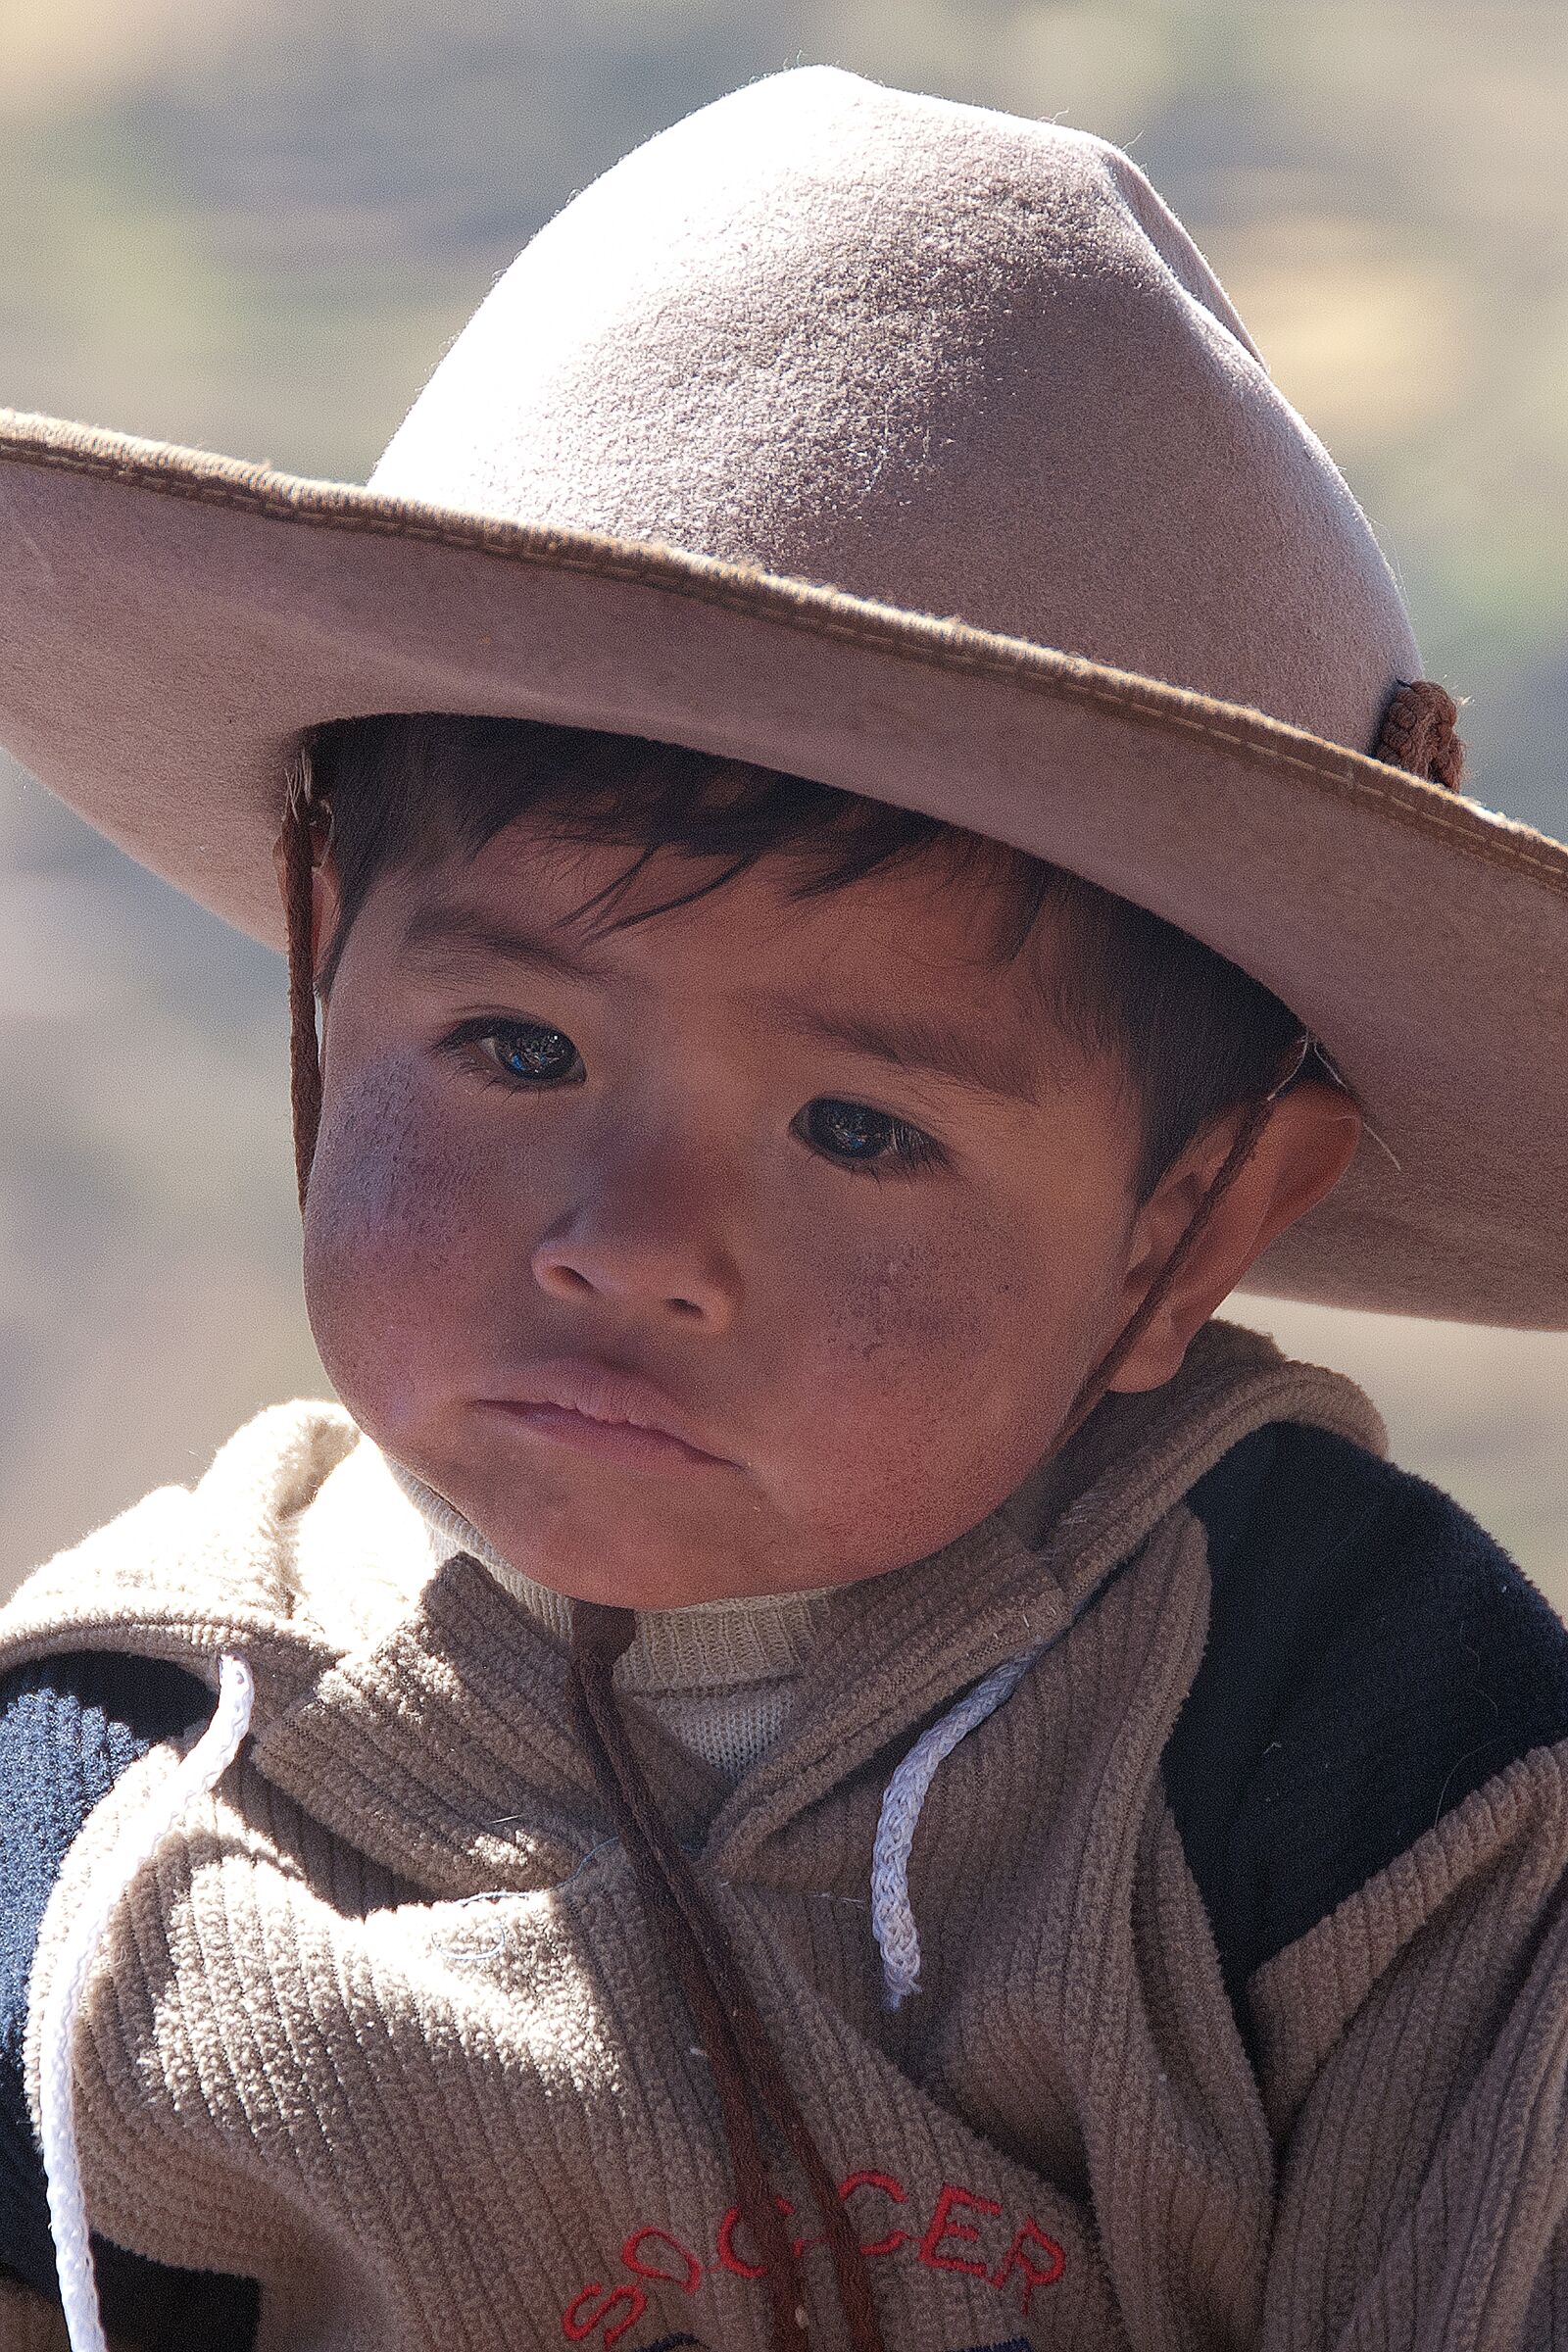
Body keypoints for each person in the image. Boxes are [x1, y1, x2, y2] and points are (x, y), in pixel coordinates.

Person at [1, 62, 1566, 2352]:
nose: (632, 1239)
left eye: (860, 1129)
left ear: (1191, 1223)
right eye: (518, 1051)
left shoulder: (1355, 1754)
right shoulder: (106, 1824)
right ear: (330, 977)